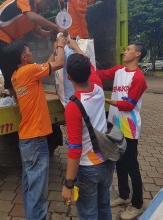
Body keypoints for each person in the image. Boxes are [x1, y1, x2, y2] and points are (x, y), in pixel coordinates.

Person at [4, 35, 66, 220]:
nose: (31, 52)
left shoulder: (17, 75)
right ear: (23, 57)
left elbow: (47, 65)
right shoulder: (29, 71)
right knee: (38, 191)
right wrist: (62, 46)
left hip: (27, 138)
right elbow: (60, 63)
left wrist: (55, 48)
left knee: (30, 186)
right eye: (28, 50)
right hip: (36, 139)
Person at [62, 39, 115, 220]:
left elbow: (75, 148)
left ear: (68, 77)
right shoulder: (98, 88)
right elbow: (89, 64)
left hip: (88, 167)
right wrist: (76, 47)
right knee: (104, 206)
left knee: (88, 213)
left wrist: (68, 183)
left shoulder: (73, 106)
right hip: (107, 161)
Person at [96, 42, 147, 220]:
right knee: (118, 162)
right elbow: (99, 74)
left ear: (137, 54)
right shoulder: (119, 70)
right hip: (115, 125)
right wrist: (82, 54)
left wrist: (105, 99)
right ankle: (124, 196)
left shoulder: (139, 78)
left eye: (128, 50)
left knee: (132, 166)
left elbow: (128, 105)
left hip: (130, 128)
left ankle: (137, 204)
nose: (124, 52)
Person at [0, 0, 66, 93]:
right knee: (7, 64)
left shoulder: (37, 14)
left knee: (16, 63)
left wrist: (51, 32)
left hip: (8, 38)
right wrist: (57, 27)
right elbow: (33, 18)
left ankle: (17, 92)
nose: (47, 7)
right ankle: (14, 95)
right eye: (47, 3)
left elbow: (38, 32)